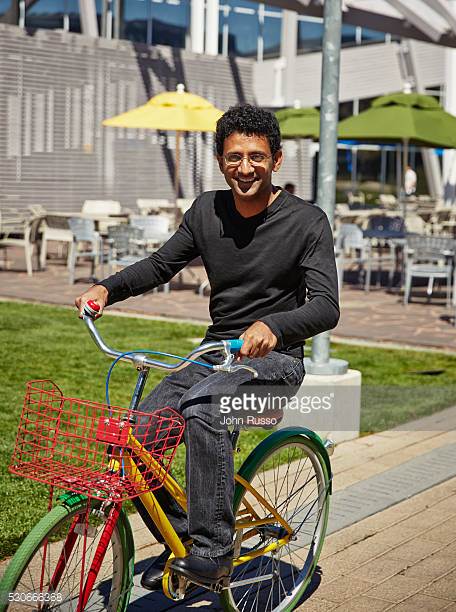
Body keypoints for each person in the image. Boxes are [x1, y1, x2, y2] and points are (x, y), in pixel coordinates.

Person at [75, 104, 339, 589]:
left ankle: (213, 552)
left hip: (275, 365)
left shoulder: (308, 222)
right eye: (234, 156)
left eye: (257, 157)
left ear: (276, 160)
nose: (246, 168)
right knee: (136, 440)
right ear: (220, 160)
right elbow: (159, 265)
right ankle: (185, 543)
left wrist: (275, 327)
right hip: (215, 355)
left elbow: (326, 307)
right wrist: (106, 289)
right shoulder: (205, 210)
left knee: (204, 410)